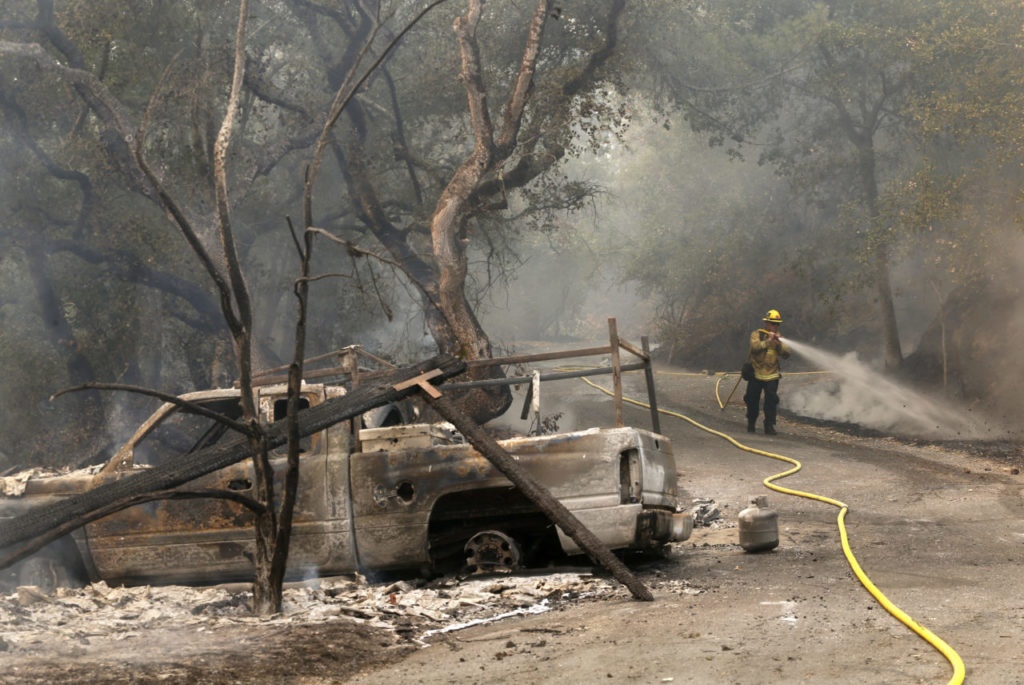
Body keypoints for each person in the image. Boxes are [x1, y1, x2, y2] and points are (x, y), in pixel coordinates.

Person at [744, 309, 791, 435]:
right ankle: (751, 423)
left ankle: (769, 426)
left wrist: (779, 344)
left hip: (772, 375)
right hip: (756, 374)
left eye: (777, 324)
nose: (775, 326)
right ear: (767, 323)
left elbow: (787, 354)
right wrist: (767, 342)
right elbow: (754, 348)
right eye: (773, 323)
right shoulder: (757, 335)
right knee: (752, 400)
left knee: (771, 402)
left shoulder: (779, 339)